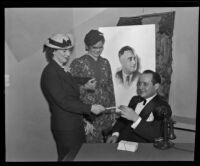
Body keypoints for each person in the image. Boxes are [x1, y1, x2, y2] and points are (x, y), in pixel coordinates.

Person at [40, 33, 105, 161]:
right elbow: (64, 101)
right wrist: (90, 108)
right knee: (69, 158)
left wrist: (84, 120)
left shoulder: (60, 69)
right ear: (53, 51)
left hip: (75, 123)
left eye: (69, 50)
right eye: (64, 51)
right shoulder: (50, 73)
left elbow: (70, 82)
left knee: (79, 157)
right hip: (66, 128)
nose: (68, 54)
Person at [70, 29, 116, 143]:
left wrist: (113, 112)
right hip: (88, 116)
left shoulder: (105, 62)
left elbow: (110, 88)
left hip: (105, 114)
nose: (98, 50)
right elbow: (71, 91)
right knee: (90, 150)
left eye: (101, 47)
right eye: (94, 47)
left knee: (106, 148)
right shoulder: (78, 63)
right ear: (87, 46)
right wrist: (83, 120)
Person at [106, 70, 172, 143]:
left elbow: (156, 136)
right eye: (139, 83)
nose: (140, 87)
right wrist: (115, 134)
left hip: (142, 149)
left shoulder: (163, 107)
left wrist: (136, 118)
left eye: (145, 84)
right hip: (121, 143)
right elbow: (122, 121)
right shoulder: (135, 99)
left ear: (156, 86)